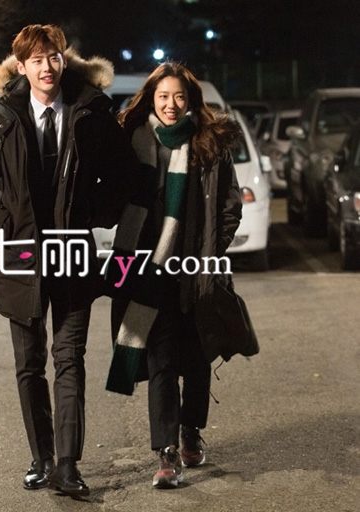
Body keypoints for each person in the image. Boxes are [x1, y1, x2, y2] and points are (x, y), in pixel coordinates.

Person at [0, 24, 137, 497]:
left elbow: (122, 175)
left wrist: (95, 214)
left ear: (64, 59)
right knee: (29, 363)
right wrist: (7, 228)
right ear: (21, 66)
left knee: (70, 358)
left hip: (74, 254)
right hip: (21, 258)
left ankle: (67, 465)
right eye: (36, 60)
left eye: (53, 57)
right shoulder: (1, 118)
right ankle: (41, 458)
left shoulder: (90, 111)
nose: (46, 67)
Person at [104, 61, 259, 489]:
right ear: (151, 100)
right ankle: (166, 451)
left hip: (193, 271)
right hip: (147, 270)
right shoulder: (133, 142)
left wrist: (211, 252)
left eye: (178, 97)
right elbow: (113, 196)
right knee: (161, 360)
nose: (170, 104)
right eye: (163, 96)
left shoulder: (209, 143)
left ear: (190, 100)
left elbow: (229, 205)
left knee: (196, 358)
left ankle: (191, 430)